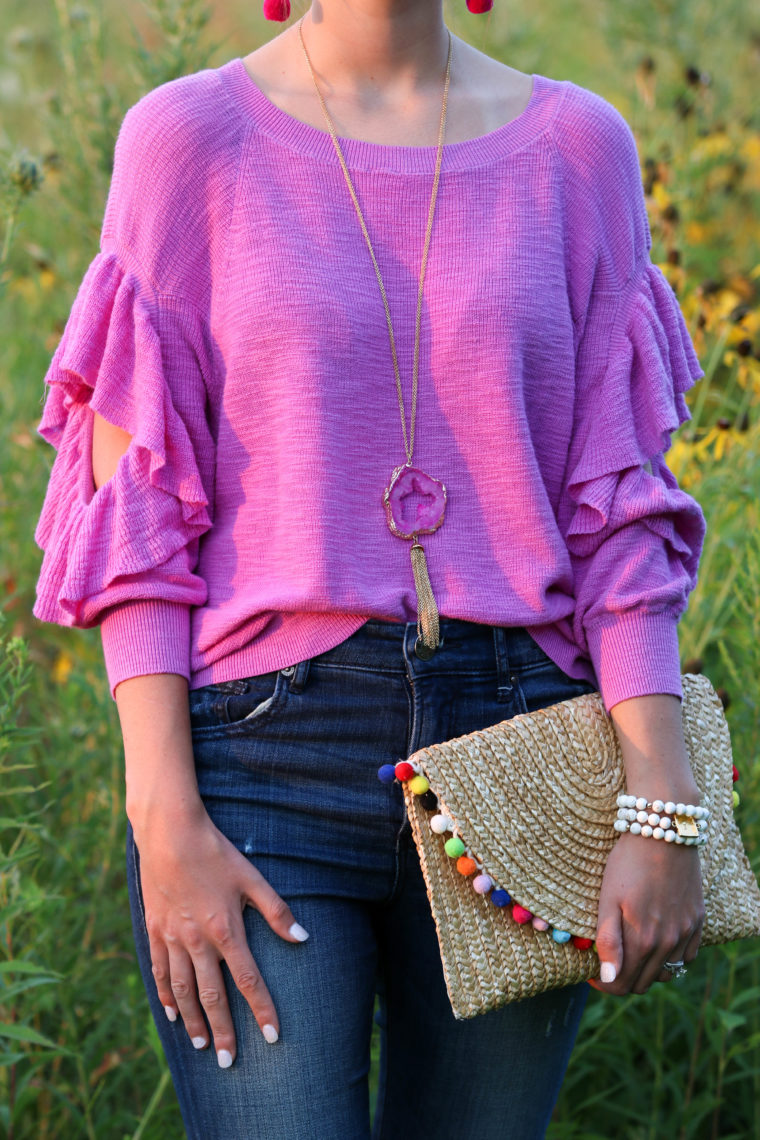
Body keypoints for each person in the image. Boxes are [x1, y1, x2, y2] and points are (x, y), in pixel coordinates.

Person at [31, 0, 708, 1135]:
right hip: (262, 768)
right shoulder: (186, 141)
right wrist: (164, 821)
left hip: (524, 750)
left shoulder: (579, 150)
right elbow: (134, 511)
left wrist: (660, 803)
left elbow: (621, 520)